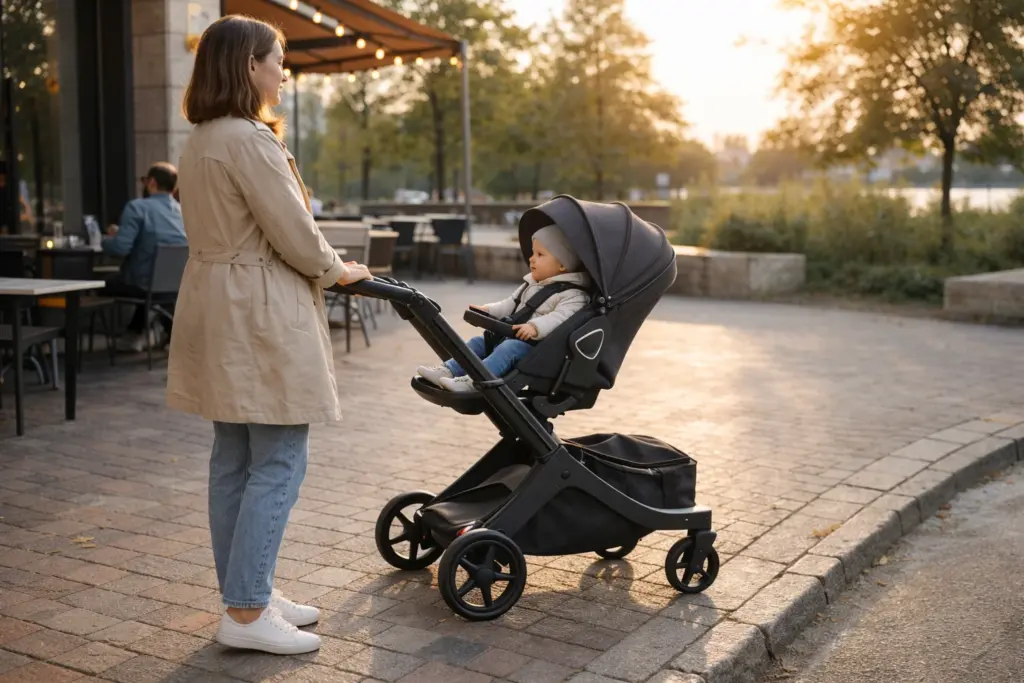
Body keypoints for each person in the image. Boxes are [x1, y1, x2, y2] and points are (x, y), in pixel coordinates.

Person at [166, 15, 372, 656]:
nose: (284, 71)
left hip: (216, 302)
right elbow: (293, 232)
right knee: (279, 458)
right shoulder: (250, 140)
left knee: (233, 459)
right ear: (248, 65)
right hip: (257, 308)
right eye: (277, 58)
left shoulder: (201, 139)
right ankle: (247, 610)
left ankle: (246, 590)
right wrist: (338, 270)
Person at [417, 224, 591, 393]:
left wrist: (535, 327)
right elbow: (509, 304)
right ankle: (448, 370)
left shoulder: (574, 295)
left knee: (509, 348)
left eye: (540, 254)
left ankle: (474, 382)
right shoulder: (531, 284)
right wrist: (488, 310)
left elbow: (560, 319)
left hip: (538, 350)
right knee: (478, 343)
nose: (531, 258)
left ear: (562, 265)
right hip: (512, 338)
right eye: (533, 253)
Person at [103, 162, 188, 350]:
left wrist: (105, 240)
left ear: (151, 182)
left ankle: (133, 335)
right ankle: (140, 334)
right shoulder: (183, 212)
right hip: (177, 284)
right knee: (155, 287)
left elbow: (120, 248)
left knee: (105, 283)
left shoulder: (137, 208)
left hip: (143, 283)